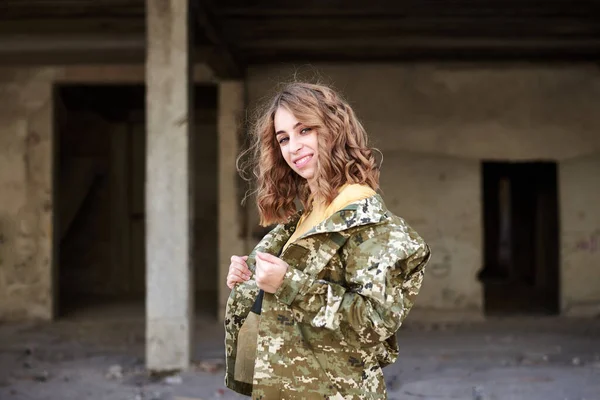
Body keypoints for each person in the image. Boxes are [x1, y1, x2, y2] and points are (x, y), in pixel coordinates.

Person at [224, 82, 430, 399]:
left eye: (305, 130)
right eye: (284, 138)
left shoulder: (367, 222)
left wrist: (286, 282)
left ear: (334, 130)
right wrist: (249, 278)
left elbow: (374, 323)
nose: (293, 147)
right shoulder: (306, 214)